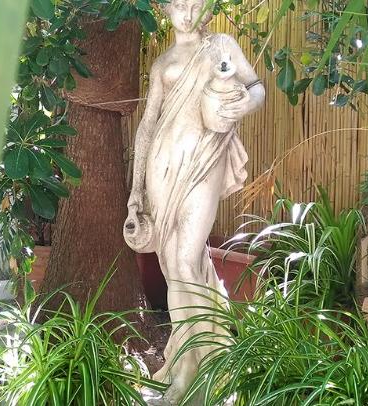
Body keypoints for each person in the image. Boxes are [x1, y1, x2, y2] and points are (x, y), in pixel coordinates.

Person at [123, 0, 265, 403]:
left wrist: (246, 102)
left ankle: (205, 365)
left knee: (186, 260)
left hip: (205, 159)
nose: (187, 15)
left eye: (196, 5)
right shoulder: (162, 63)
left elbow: (256, 87)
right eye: (180, 6)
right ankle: (190, 360)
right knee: (175, 267)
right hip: (162, 166)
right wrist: (136, 188)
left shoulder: (221, 45)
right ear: (166, 9)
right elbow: (147, 125)